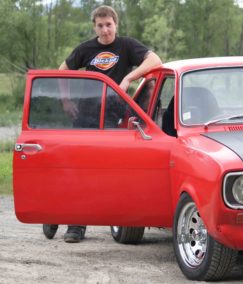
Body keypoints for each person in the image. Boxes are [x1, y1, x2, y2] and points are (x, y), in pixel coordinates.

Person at [48, 5, 162, 243]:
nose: (105, 29)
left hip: (114, 120)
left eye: (108, 24)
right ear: (95, 27)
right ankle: (73, 224)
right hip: (85, 117)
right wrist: (66, 101)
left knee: (104, 171)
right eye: (100, 25)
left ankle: (62, 211)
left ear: (115, 24)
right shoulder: (86, 48)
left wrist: (129, 77)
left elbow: (155, 60)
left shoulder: (127, 46)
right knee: (79, 170)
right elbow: (62, 69)